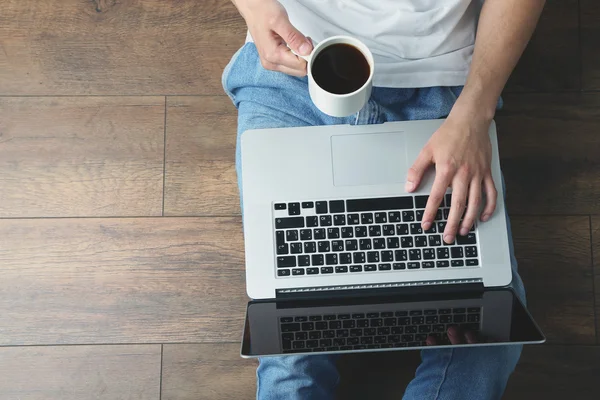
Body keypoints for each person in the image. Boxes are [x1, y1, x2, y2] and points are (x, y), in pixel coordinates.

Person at [223, 0, 545, 398]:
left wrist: (474, 114)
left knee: (487, 340)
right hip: (294, 74)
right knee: (291, 353)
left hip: (443, 98)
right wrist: (255, 10)